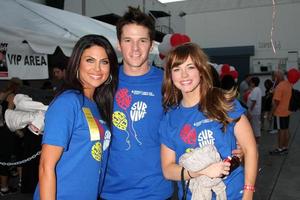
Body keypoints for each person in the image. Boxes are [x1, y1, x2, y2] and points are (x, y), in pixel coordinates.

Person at [101, 6, 244, 200]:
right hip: (111, 191)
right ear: (119, 44)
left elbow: (197, 116)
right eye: (128, 40)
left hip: (158, 191)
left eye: (142, 41)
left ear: (151, 45)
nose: (135, 48)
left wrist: (233, 147)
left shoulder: (170, 83)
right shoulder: (104, 83)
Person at [159, 43, 258, 200]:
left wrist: (248, 193)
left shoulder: (223, 102)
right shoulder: (170, 119)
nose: (184, 75)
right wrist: (201, 171)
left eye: (190, 67)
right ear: (170, 76)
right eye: (177, 69)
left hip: (233, 194)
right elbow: (168, 169)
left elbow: (250, 149)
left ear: (200, 70)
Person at [33, 34, 118, 199]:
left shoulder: (97, 104)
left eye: (104, 62)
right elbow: (46, 166)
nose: (97, 69)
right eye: (90, 60)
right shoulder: (68, 102)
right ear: (77, 62)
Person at [0, 78, 22, 195]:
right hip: (9, 131)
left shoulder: (3, 94)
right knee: (13, 156)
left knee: (4, 157)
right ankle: (5, 188)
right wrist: (18, 131)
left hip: (2, 129)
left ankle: (5, 187)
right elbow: (10, 115)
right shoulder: (13, 96)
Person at [269, 70, 292, 155]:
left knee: (280, 131)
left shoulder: (279, 87)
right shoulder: (287, 84)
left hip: (279, 112)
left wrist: (271, 113)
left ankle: (280, 149)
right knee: (285, 130)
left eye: (273, 78)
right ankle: (285, 147)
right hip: (287, 111)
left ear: (276, 77)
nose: (272, 79)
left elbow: (276, 102)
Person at [246, 76, 262, 145]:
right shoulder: (255, 89)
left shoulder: (256, 90)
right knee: (254, 126)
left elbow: (254, 101)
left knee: (255, 126)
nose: (250, 83)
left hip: (254, 112)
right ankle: (255, 141)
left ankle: (257, 142)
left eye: (251, 82)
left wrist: (250, 111)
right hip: (254, 111)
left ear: (253, 83)